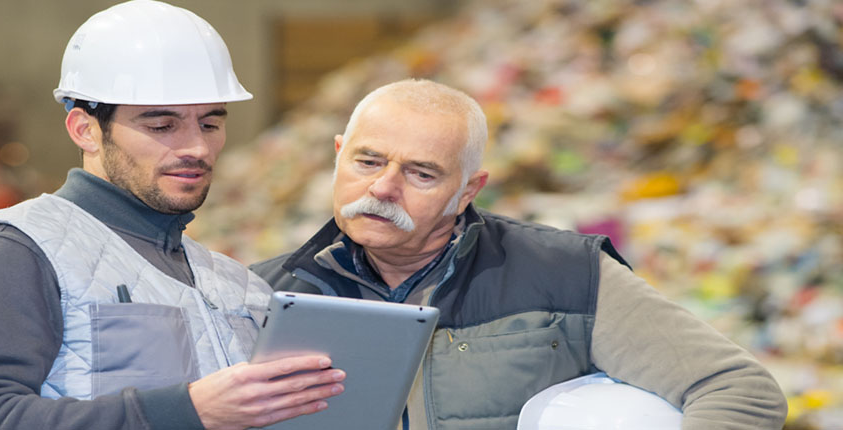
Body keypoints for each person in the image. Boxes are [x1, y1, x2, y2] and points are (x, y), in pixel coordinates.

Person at [251, 79, 787, 429]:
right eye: (368, 162)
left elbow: (738, 390)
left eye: (421, 173)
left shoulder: (569, 275)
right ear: (340, 155)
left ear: (467, 190)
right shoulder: (261, 295)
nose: (385, 188)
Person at [0, 1, 344, 429]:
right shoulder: (12, 252)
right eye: (162, 126)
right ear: (85, 129)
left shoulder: (236, 286)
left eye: (210, 124)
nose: (196, 148)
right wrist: (187, 411)